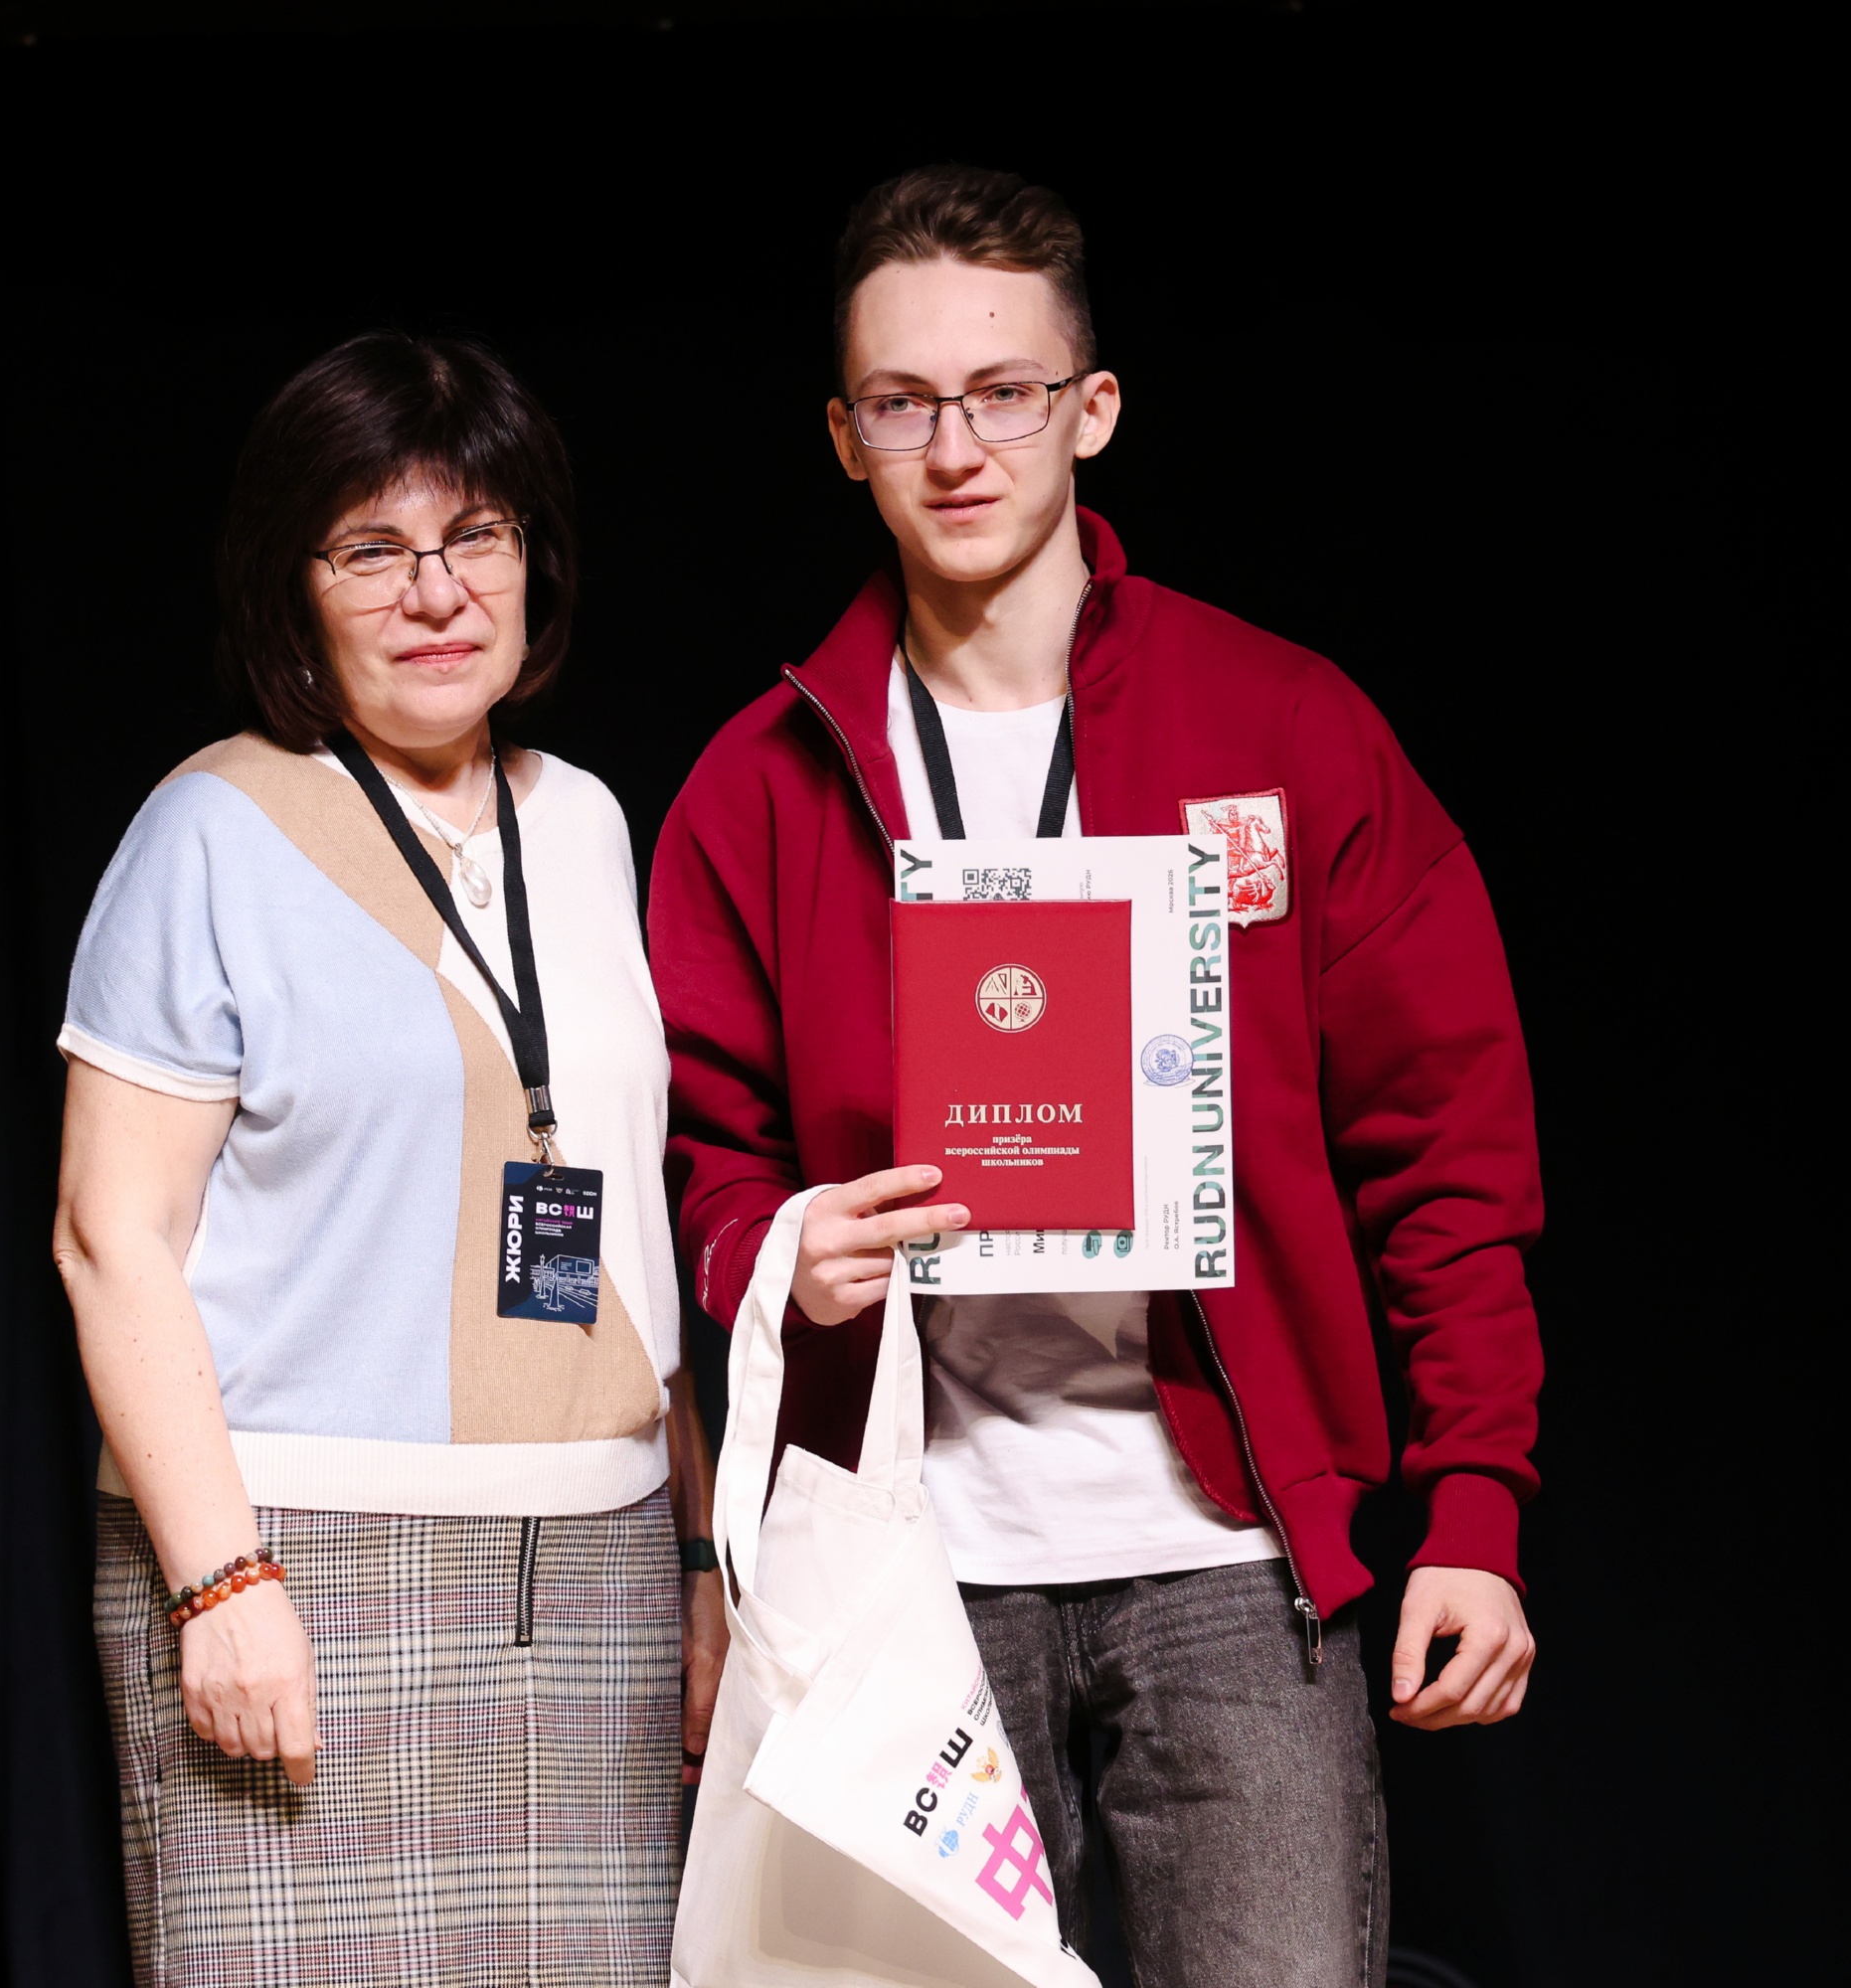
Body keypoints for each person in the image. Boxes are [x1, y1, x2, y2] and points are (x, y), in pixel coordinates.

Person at [649, 167, 1543, 1987]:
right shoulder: (761, 782)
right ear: (843, 436)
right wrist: (787, 1255)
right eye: (903, 401)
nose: (955, 447)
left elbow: (1443, 1143)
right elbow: (706, 1160)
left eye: (1005, 392)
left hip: (1228, 1555)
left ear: (1093, 408)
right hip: (907, 1563)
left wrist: (1476, 1504)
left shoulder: (1280, 727)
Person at [53, 332, 727, 1986]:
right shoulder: (209, 829)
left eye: (474, 536)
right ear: (294, 590)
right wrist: (219, 1582)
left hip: (598, 1578)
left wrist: (699, 1562)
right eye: (372, 548)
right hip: (294, 1567)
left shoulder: (588, 822)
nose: (436, 592)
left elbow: (627, 1235)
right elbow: (107, 1238)